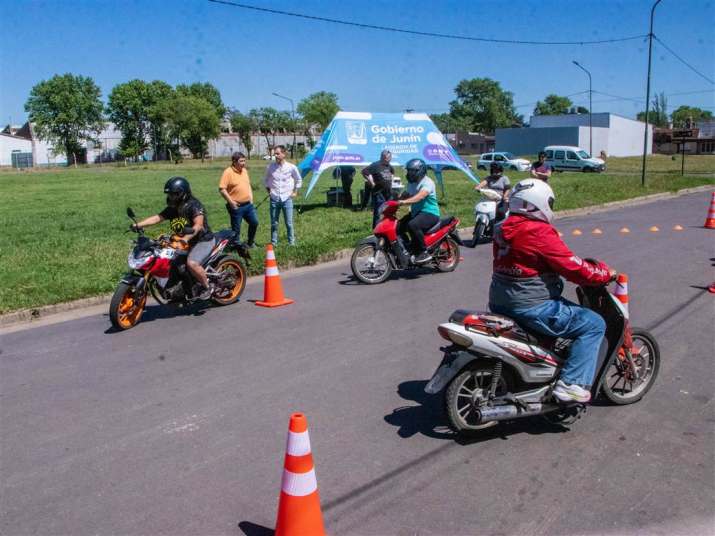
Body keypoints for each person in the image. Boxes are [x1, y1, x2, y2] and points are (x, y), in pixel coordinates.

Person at [488, 178, 616, 403]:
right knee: (594, 324)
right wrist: (605, 273)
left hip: (500, 299)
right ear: (538, 202)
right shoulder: (537, 231)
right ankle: (571, 383)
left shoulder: (502, 227)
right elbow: (574, 268)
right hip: (532, 304)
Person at [131, 177, 216, 300]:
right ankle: (182, 288)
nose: (171, 197)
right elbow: (157, 218)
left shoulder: (194, 205)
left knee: (191, 263)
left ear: (183, 193)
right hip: (182, 241)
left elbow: (198, 225)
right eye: (169, 194)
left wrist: (187, 237)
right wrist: (138, 225)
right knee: (167, 260)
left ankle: (207, 287)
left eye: (174, 194)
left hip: (202, 240)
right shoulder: (174, 207)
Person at [397, 158, 441, 264]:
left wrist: (403, 203)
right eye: (409, 171)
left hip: (430, 213)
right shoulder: (412, 183)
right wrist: (395, 200)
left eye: (412, 171)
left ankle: (423, 251)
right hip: (417, 213)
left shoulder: (427, 182)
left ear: (420, 171)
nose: (409, 173)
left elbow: (420, 197)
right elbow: (405, 194)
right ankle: (409, 248)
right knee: (398, 226)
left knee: (413, 225)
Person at [264, 145, 302, 246]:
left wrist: (295, 192)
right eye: (274, 154)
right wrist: (269, 191)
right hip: (274, 198)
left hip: (287, 198)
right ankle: (274, 243)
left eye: (277, 153)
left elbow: (298, 179)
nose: (275, 156)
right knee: (274, 223)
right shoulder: (270, 167)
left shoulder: (291, 167)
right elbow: (266, 180)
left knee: (289, 223)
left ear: (284, 154)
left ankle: (291, 243)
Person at [219, 152, 258, 248]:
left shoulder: (244, 171)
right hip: (236, 206)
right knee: (236, 229)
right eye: (241, 161)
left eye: (244, 160)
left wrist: (251, 198)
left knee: (254, 222)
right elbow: (222, 189)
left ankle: (250, 242)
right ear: (234, 162)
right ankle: (236, 246)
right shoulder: (228, 172)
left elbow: (248, 185)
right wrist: (231, 203)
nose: (244, 163)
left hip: (248, 205)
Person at [362, 150, 394, 227]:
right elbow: (364, 171)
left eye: (389, 158)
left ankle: (386, 227)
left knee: (388, 211)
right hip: (378, 192)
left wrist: (391, 181)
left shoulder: (389, 166)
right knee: (379, 212)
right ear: (382, 157)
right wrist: (371, 181)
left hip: (388, 192)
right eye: (387, 158)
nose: (389, 159)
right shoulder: (375, 165)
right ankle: (376, 229)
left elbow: (392, 173)